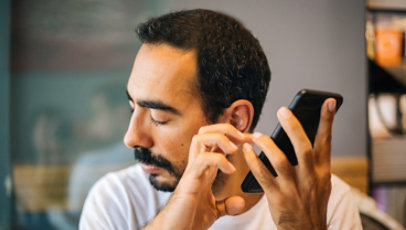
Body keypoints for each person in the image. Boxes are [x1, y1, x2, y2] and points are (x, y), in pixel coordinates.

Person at [80, 9, 362, 229]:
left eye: (158, 116)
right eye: (133, 107)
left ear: (236, 120)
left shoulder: (324, 203)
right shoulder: (117, 200)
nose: (131, 137)